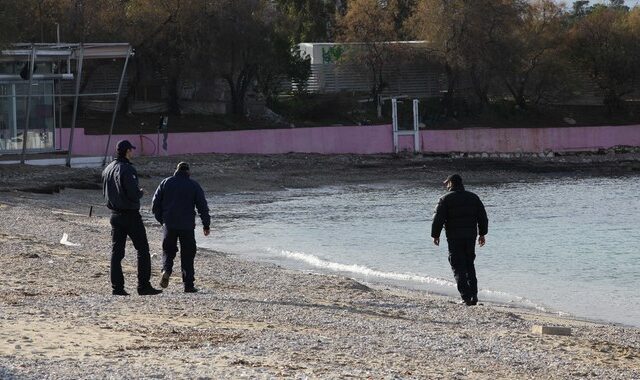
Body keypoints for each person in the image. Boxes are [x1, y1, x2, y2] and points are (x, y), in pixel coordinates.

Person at [102, 140, 162, 296]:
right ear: (127, 151)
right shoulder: (127, 169)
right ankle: (143, 286)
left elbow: (105, 193)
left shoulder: (108, 169)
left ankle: (117, 288)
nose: (133, 153)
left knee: (117, 253)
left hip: (114, 215)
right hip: (130, 215)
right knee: (142, 250)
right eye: (131, 150)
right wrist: (140, 192)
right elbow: (133, 194)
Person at [152, 162, 211, 293]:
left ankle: (166, 270)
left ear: (176, 170)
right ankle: (188, 285)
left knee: (168, 251)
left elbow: (155, 204)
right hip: (187, 226)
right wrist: (206, 224)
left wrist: (162, 220)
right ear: (188, 172)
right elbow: (202, 207)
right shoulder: (194, 185)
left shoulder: (165, 183)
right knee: (188, 254)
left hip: (170, 224)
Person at [431, 174, 488, 306]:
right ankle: (474, 295)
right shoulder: (473, 197)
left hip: (454, 237)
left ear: (451, 183)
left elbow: (437, 219)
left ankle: (466, 297)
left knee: (457, 265)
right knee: (469, 264)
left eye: (447, 183)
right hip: (470, 237)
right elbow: (483, 217)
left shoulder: (445, 199)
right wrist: (482, 234)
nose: (446, 186)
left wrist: (435, 235)